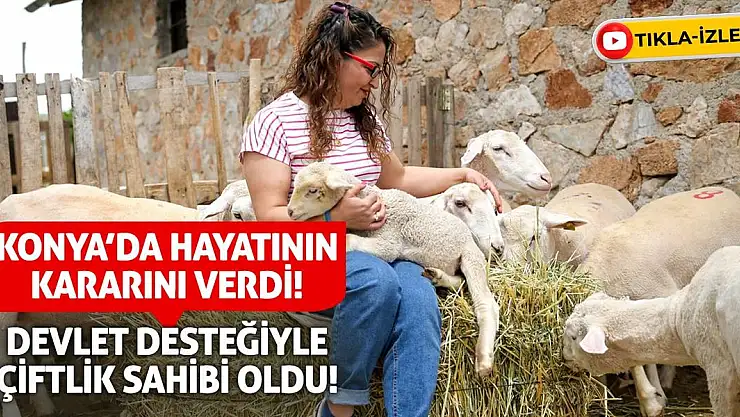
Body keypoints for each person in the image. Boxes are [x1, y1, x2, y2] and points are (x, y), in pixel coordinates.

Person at [238, 2, 503, 416]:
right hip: (308, 255)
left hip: (381, 246)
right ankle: (339, 405)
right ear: (333, 59)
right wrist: (335, 218)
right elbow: (269, 218)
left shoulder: (363, 121)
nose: (375, 81)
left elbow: (398, 178)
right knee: (375, 282)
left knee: (419, 301)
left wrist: (462, 175)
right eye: (370, 69)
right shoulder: (274, 122)